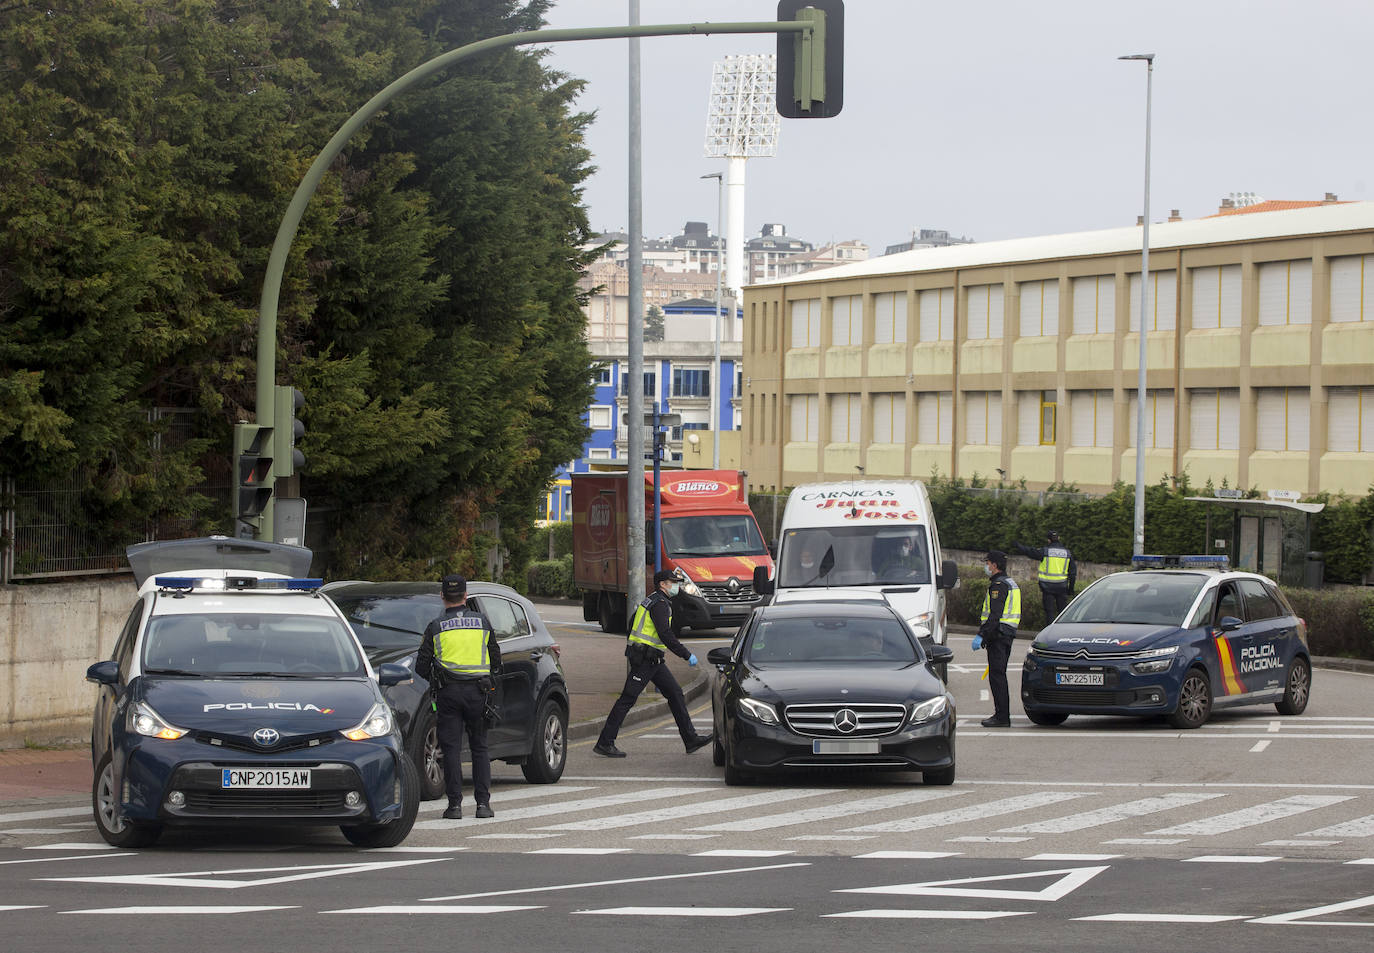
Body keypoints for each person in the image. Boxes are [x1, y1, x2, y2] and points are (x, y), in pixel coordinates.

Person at [593, 569, 714, 758]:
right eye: (672, 582)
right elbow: (665, 634)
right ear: (662, 584)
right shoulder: (660, 604)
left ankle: (690, 740)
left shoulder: (652, 600)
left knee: (675, 693)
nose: (676, 585)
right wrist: (686, 654)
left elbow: (632, 623)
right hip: (645, 660)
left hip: (652, 659)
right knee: (627, 699)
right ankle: (605, 742)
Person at [416, 574, 502, 820]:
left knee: (451, 749)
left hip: (449, 693)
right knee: (480, 748)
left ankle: (454, 806)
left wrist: (437, 677)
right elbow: (496, 660)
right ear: (466, 596)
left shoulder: (435, 626)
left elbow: (421, 665)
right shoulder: (483, 622)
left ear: (443, 597)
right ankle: (483, 805)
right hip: (479, 692)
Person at [971, 550, 1020, 727]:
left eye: (988, 563)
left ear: (994, 565)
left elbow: (995, 615)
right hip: (1006, 634)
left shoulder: (999, 585)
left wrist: (981, 635)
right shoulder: (1010, 582)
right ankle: (1002, 715)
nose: (986, 566)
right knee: (999, 675)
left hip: (998, 635)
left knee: (997, 676)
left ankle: (1002, 717)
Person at [1014, 531, 1077, 625]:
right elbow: (1072, 573)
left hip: (1047, 588)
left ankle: (1050, 632)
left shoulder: (1045, 551)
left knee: (1049, 612)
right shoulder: (1067, 553)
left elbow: (1030, 551)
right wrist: (1070, 589)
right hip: (1062, 587)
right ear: (1059, 538)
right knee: (1063, 613)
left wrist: (1018, 545)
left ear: (1048, 540)